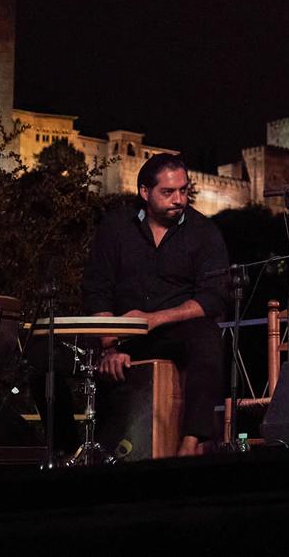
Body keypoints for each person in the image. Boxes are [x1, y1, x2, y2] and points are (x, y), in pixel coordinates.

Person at [80, 153, 230, 456]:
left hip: (173, 332)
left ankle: (191, 441)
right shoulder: (116, 227)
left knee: (207, 337)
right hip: (118, 332)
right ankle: (68, 448)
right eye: (168, 192)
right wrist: (109, 345)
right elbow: (97, 288)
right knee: (47, 358)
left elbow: (214, 297)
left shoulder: (204, 232)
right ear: (145, 192)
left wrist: (155, 318)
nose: (179, 199)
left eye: (184, 190)